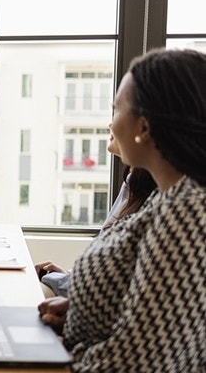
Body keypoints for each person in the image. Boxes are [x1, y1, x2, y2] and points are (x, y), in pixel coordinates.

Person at [38, 48, 206, 372]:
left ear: (143, 127)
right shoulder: (168, 197)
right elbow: (156, 312)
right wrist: (78, 314)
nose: (111, 121)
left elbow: (135, 363)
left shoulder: (187, 216)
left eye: (116, 108)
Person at [35, 131, 157, 297]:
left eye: (120, 110)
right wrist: (69, 276)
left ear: (143, 128)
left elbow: (115, 285)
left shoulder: (153, 205)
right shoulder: (130, 183)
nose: (111, 125)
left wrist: (66, 280)